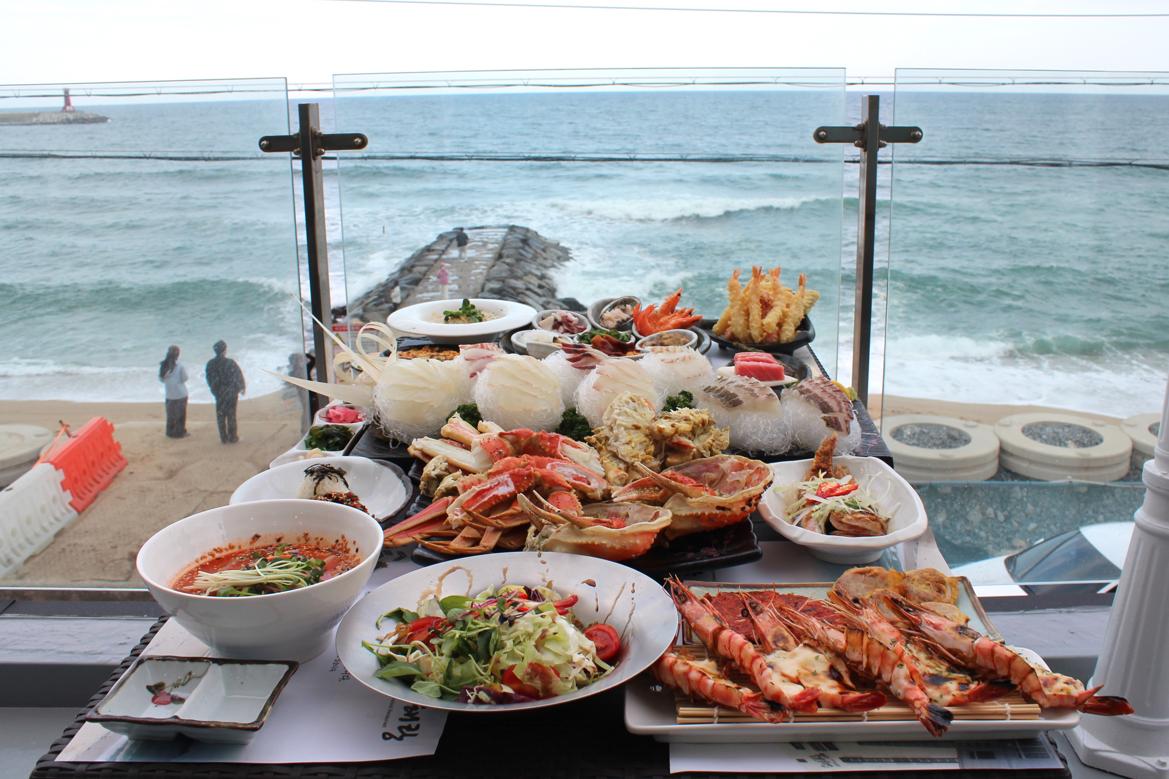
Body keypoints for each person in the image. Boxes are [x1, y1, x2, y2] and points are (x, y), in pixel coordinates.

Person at [205, 340, 245, 444]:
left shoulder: (210, 364)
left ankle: (223, 437)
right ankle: (233, 437)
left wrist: (214, 390)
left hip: (219, 392)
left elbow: (209, 379)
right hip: (231, 392)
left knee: (220, 415)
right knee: (231, 415)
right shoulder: (230, 363)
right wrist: (241, 387)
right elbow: (238, 375)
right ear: (224, 351)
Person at [158, 345, 189, 438]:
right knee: (181, 415)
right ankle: (180, 432)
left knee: (170, 415)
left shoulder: (163, 366)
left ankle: (170, 432)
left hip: (169, 394)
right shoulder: (180, 366)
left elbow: (161, 379)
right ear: (177, 355)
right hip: (180, 393)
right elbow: (185, 378)